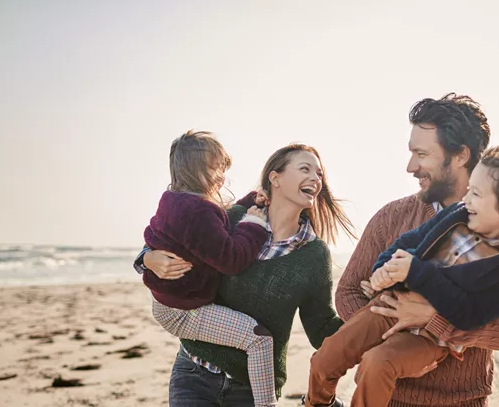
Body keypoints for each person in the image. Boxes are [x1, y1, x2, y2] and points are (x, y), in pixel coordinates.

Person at [306, 139, 499, 407]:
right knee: (325, 357)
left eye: (422, 153)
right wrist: (385, 269)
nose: (467, 198)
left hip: (432, 342)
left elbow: (477, 315)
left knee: (377, 363)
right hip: (388, 307)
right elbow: (409, 242)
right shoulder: (455, 213)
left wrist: (426, 306)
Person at [136, 143, 356, 406]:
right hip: (193, 374)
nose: (315, 179)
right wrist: (146, 258)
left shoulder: (314, 255)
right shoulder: (235, 218)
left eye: (319, 174)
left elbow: (321, 326)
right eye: (305, 169)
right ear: (276, 178)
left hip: (251, 389)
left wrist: (368, 329)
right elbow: (173, 236)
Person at [141, 130, 275, 406]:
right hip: (183, 311)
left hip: (169, 301)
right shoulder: (197, 211)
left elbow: (215, 229)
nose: (222, 177)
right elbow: (231, 260)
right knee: (259, 339)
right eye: (215, 169)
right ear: (194, 168)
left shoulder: (175, 200)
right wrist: (255, 225)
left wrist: (248, 201)